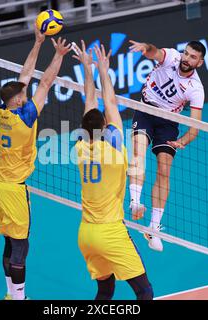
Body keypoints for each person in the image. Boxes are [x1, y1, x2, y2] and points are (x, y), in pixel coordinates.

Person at [0, 26, 71, 300]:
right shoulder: (26, 119)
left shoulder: (3, 111)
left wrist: (37, 43)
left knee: (9, 242)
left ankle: (11, 294)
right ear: (19, 101)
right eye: (23, 96)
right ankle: (20, 297)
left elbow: (25, 77)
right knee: (21, 246)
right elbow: (45, 83)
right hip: (12, 190)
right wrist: (58, 54)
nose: (26, 95)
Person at [73, 41, 153, 300]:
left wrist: (87, 69)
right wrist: (103, 70)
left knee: (105, 289)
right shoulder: (115, 149)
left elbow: (91, 103)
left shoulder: (81, 148)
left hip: (86, 234)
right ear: (105, 125)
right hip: (110, 232)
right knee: (145, 292)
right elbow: (108, 100)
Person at [127, 39, 206, 252]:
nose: (187, 58)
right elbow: (154, 52)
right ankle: (135, 202)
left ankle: (153, 228)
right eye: (186, 53)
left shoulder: (196, 89)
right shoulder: (171, 57)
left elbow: (195, 127)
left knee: (164, 170)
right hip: (145, 110)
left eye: (193, 57)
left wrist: (182, 141)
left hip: (168, 122)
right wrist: (146, 47)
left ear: (199, 63)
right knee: (138, 153)